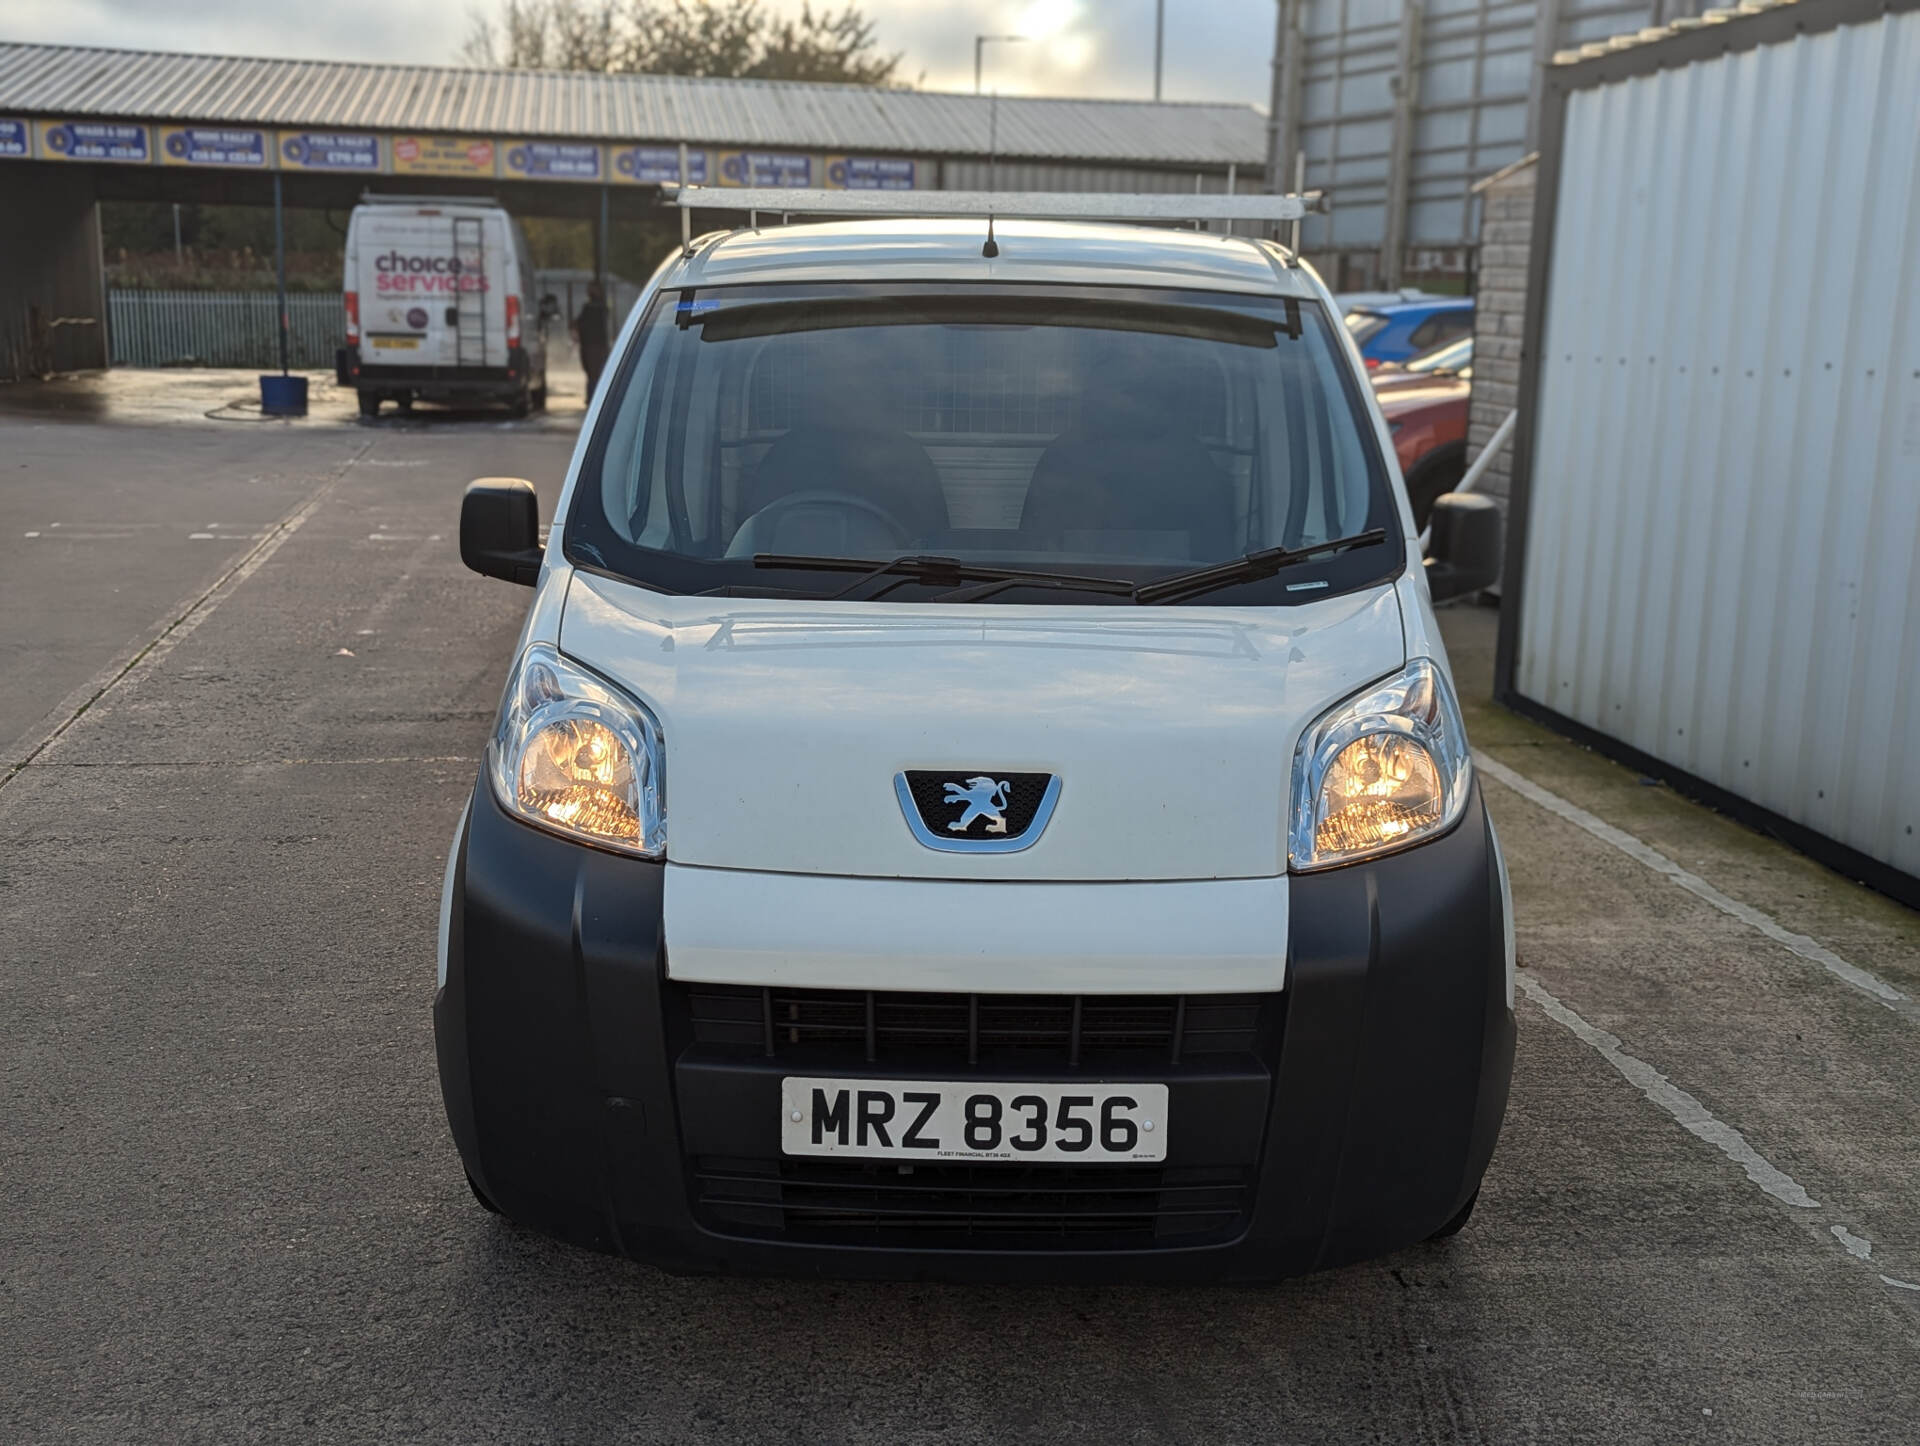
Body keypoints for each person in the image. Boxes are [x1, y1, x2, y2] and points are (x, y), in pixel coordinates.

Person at [571, 282, 611, 400]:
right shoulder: (595, 308)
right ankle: (593, 397)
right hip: (593, 345)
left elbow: (580, 324)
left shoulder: (593, 308)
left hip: (593, 346)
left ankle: (593, 397)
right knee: (593, 374)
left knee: (594, 375)